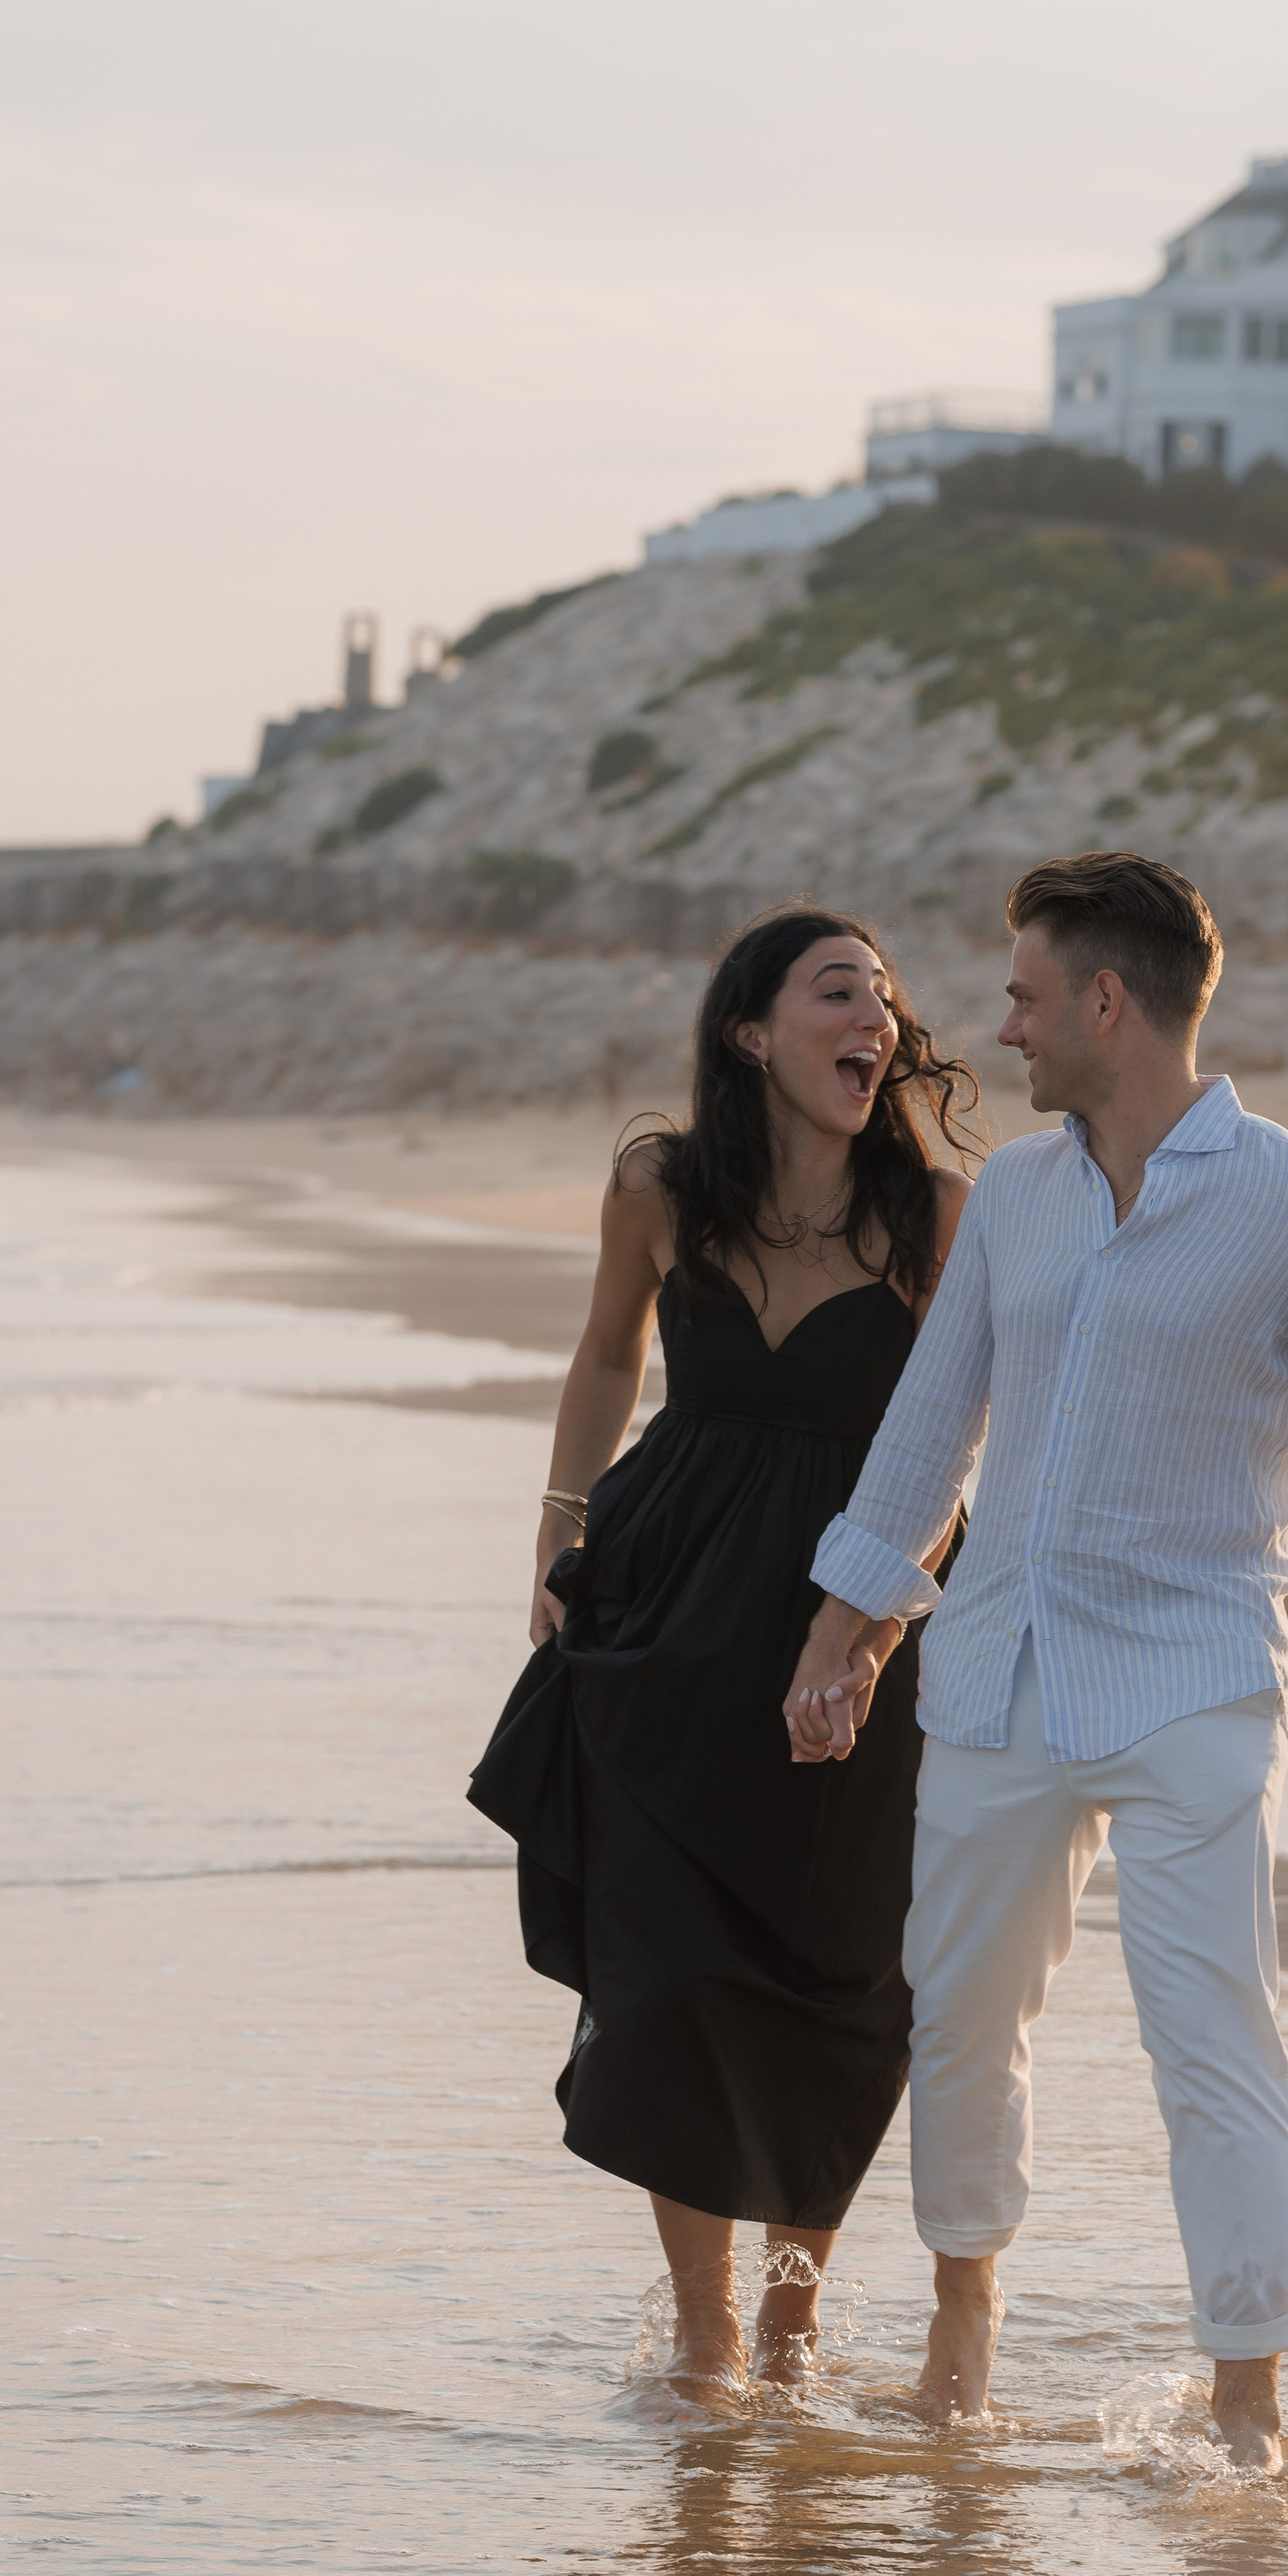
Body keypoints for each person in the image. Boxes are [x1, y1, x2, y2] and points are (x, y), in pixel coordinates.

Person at [783, 851, 1288, 2469]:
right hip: (1000, 1670)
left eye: (1029, 995)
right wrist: (852, 1622)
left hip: (1195, 1680)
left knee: (1212, 2029)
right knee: (962, 2013)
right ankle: (962, 2323)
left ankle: (1247, 2399)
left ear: (1110, 1002)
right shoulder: (1021, 1199)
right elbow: (932, 1423)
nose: (1005, 1027)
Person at [469, 908, 978, 2393]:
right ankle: (703, 2325)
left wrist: (882, 1619)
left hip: (855, 1608)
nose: (873, 1020)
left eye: (884, 999)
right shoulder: (660, 1188)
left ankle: (795, 2309)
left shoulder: (935, 1214)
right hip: (670, 1602)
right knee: (667, 1969)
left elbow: (950, 1443)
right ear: (753, 1031)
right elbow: (610, 1353)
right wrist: (560, 1533)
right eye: (838, 993)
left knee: (844, 1974)